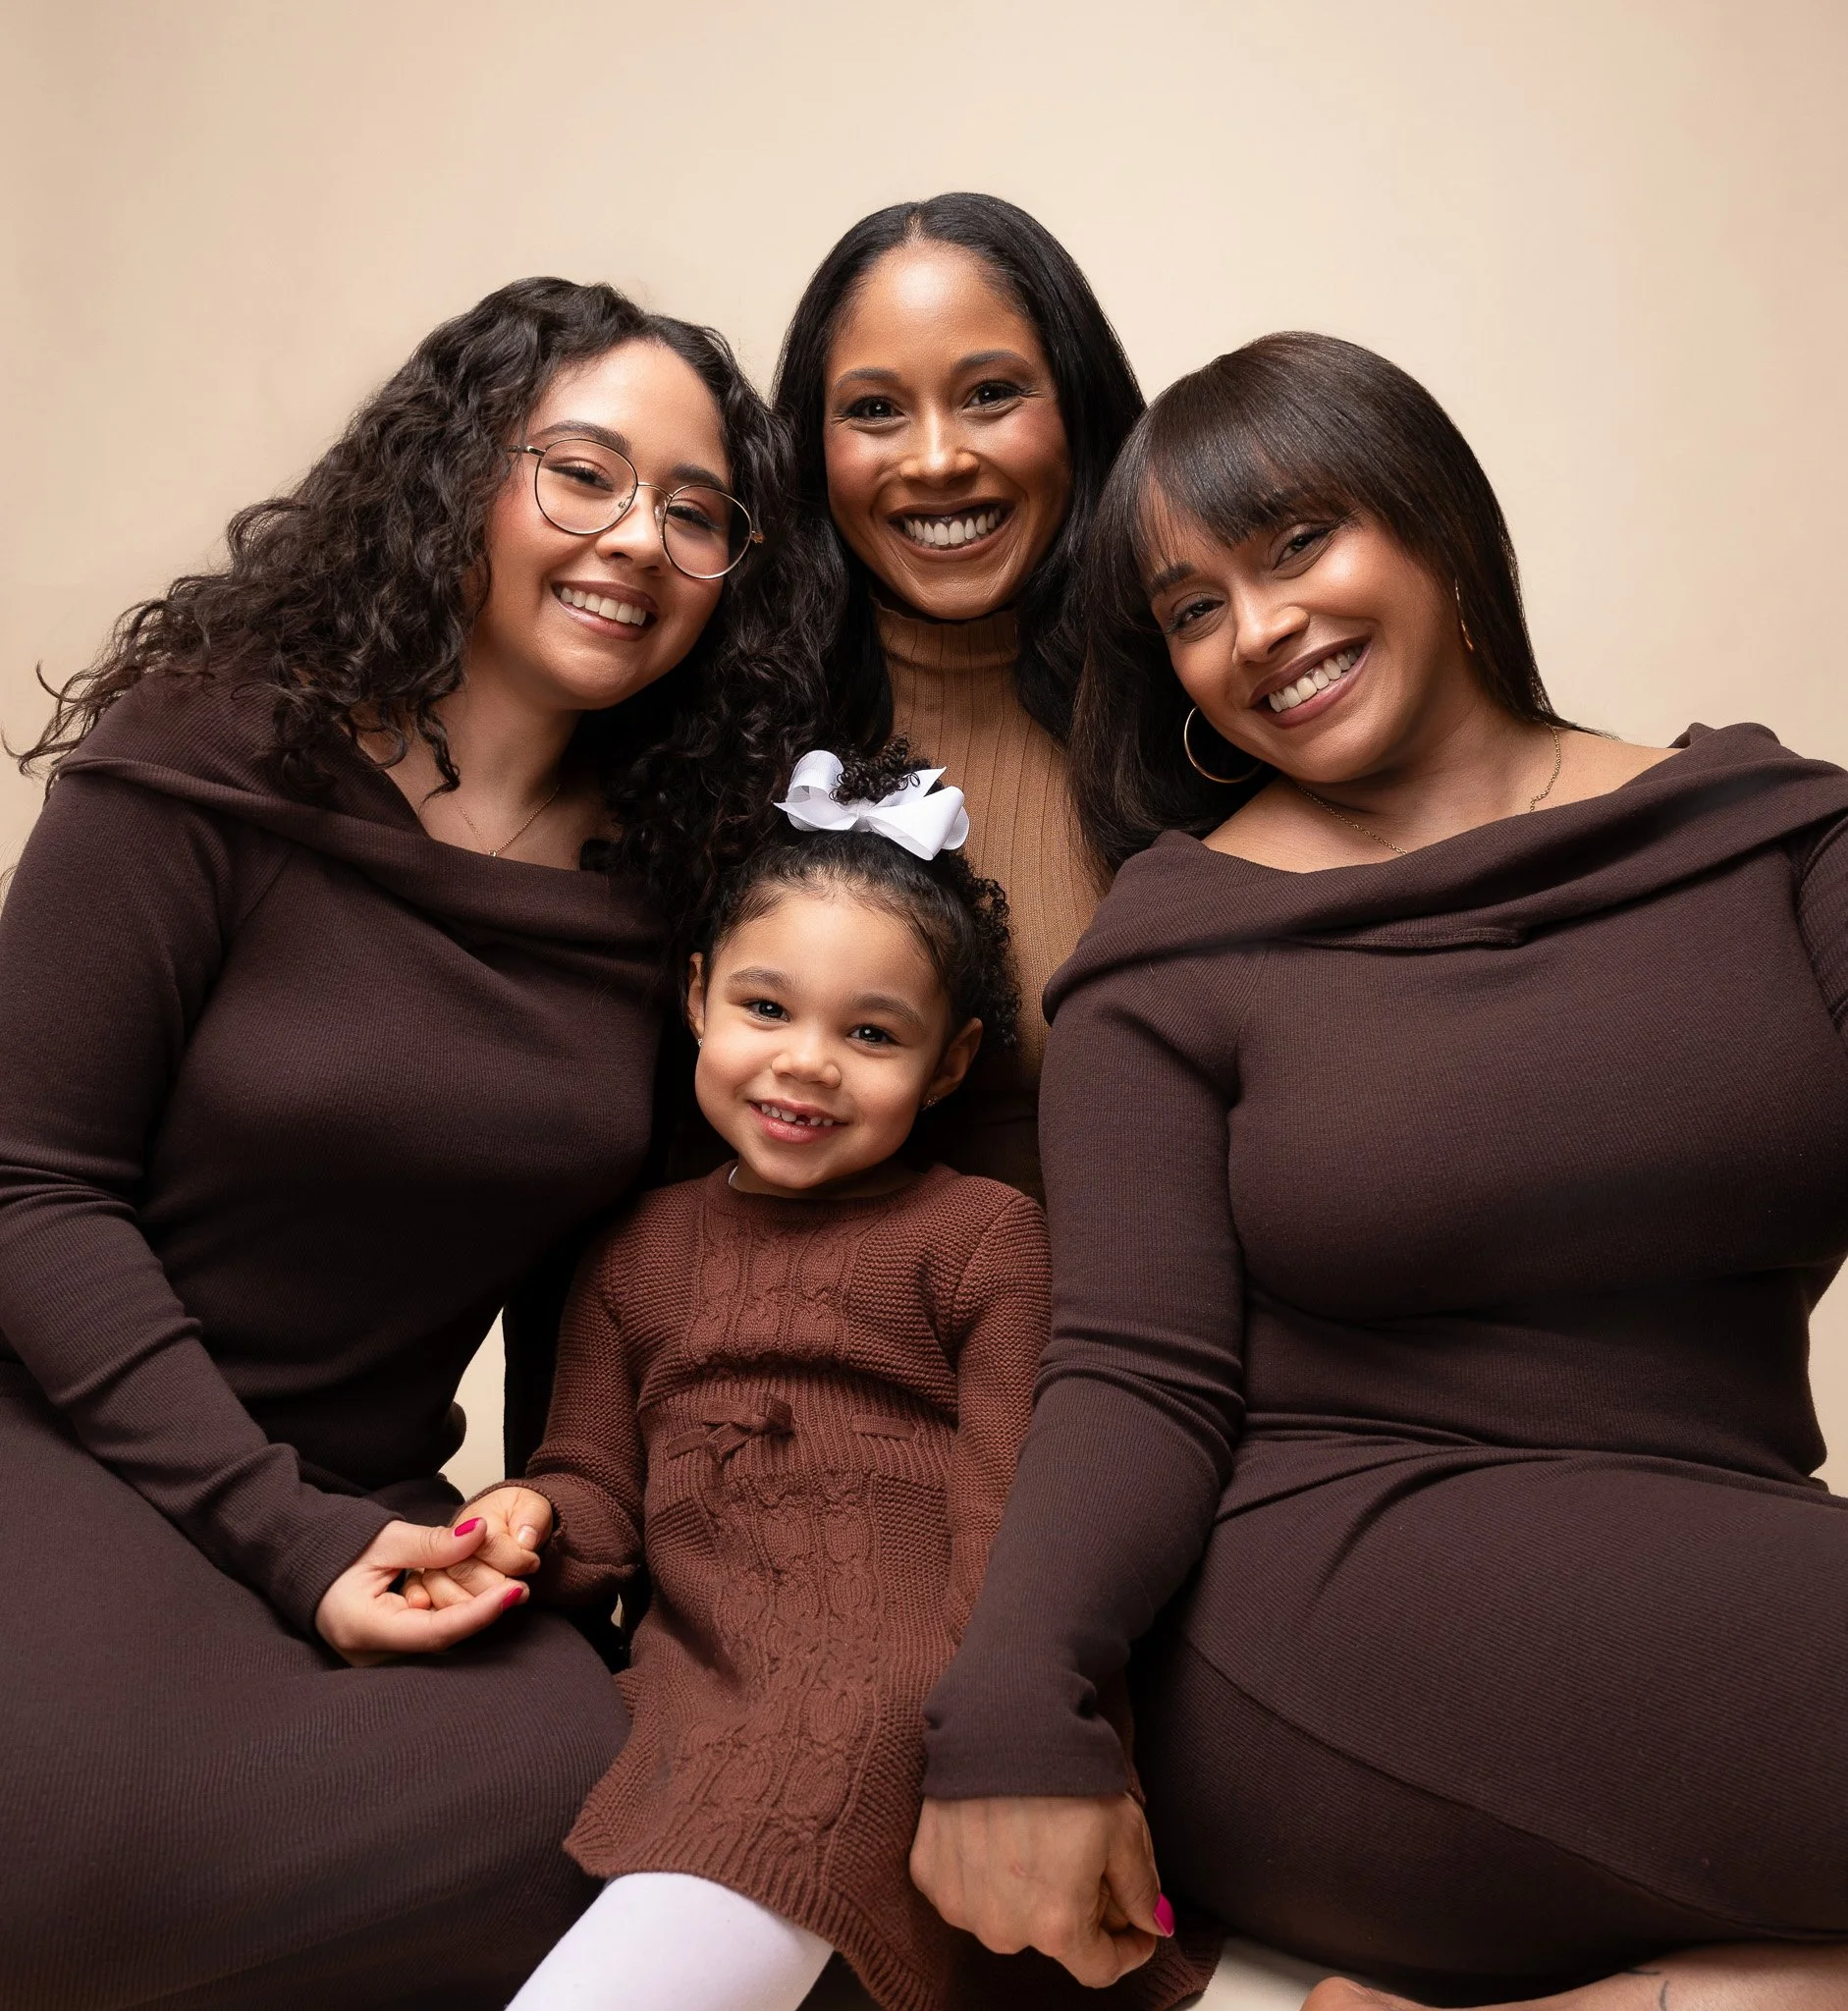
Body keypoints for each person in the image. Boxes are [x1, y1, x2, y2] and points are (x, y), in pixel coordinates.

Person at [909, 333, 1848, 2009]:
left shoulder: (1777, 841)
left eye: (1295, 543)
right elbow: (1131, 1371)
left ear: (1435, 527)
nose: (1261, 629)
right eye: (1193, 607)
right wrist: (1010, 1706)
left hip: (1706, 1559)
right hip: (1322, 1588)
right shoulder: (1177, 945)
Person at [0, 277, 829, 2010]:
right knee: (70, 1863)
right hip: (67, 1432)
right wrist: (280, 1536)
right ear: (461, 478)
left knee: (599, 1825)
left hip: (377, 1501)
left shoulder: (678, 900)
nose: (637, 541)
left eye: (697, 512)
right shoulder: (211, 757)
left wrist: (561, 1532)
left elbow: (604, 1295)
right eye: (582, 474)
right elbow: (28, 1183)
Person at [413, 748, 1215, 2011]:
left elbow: (1018, 1514)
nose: (806, 1063)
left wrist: (1036, 1730)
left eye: (872, 1033)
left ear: (947, 1066)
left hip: (915, 1659)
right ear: (697, 998)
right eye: (765, 1009)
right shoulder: (634, 1250)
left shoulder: (982, 1237)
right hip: (704, 1656)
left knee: (794, 1778)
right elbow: (597, 1488)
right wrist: (531, 1516)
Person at [772, 192, 1144, 1196]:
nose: (936, 459)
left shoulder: (1202, 709)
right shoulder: (734, 738)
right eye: (875, 408)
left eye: (990, 393)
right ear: (812, 445)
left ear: (1078, 409)